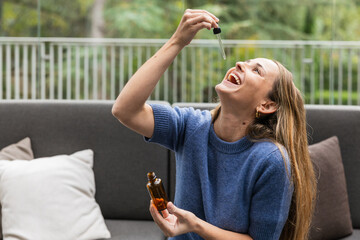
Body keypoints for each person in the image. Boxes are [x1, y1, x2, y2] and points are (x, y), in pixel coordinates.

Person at [112, 9, 316, 240]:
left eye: (256, 70)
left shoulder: (271, 160)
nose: (240, 64)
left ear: (267, 105)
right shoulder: (190, 126)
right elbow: (125, 110)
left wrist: (197, 226)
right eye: (246, 62)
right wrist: (177, 41)